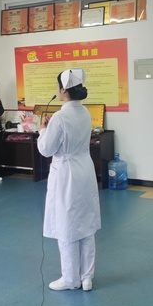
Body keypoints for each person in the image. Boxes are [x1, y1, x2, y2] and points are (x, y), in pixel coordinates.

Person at [37, 68, 101, 292]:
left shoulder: (60, 117)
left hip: (66, 174)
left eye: (57, 86)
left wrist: (43, 130)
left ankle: (70, 279)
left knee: (67, 225)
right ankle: (87, 278)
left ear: (63, 90)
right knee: (86, 224)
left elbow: (46, 149)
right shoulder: (84, 112)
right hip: (85, 169)